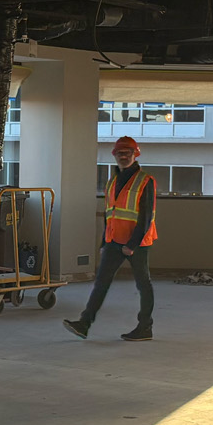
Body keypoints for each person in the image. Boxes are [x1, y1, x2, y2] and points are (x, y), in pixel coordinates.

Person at [65, 136, 157, 342]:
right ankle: (84, 323)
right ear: (114, 155)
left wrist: (132, 245)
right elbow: (111, 213)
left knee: (143, 284)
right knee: (101, 283)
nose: (123, 157)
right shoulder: (113, 181)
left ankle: (145, 327)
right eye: (120, 153)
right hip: (114, 241)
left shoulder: (145, 181)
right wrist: (105, 242)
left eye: (127, 153)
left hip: (137, 243)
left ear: (135, 155)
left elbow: (146, 217)